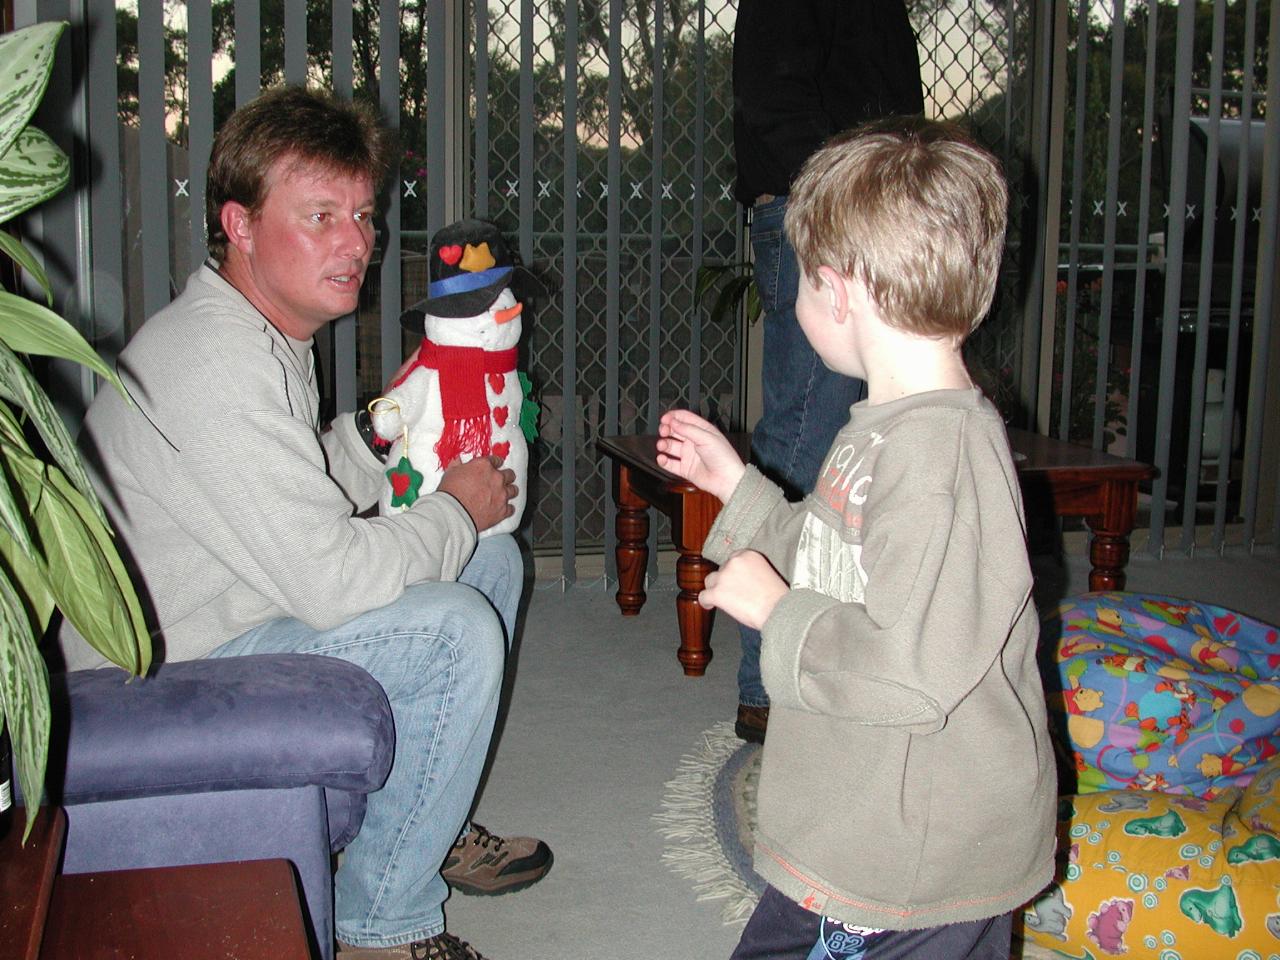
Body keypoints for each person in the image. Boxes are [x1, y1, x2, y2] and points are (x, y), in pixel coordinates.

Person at [59, 86, 550, 960]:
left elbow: (281, 486)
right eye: (320, 215)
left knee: (491, 564)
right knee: (453, 627)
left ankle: (419, 834)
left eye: (362, 215)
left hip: (223, 609)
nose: (357, 242)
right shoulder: (216, 361)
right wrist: (449, 508)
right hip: (149, 671)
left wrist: (370, 435)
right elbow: (330, 579)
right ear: (238, 224)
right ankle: (384, 922)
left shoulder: (257, 334)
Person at [656, 118, 1057, 959]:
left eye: (797, 281)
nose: (793, 304)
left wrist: (782, 615)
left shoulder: (942, 456)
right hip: (859, 822)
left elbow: (911, 672)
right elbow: (829, 548)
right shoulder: (878, 428)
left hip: (912, 859)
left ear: (837, 291)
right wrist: (737, 484)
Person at [730, 0, 925, 744]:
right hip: (825, 213)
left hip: (863, 212)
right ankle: (772, 681)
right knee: (806, 442)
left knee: (863, 445)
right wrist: (847, 203)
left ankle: (846, 655)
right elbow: (772, 98)